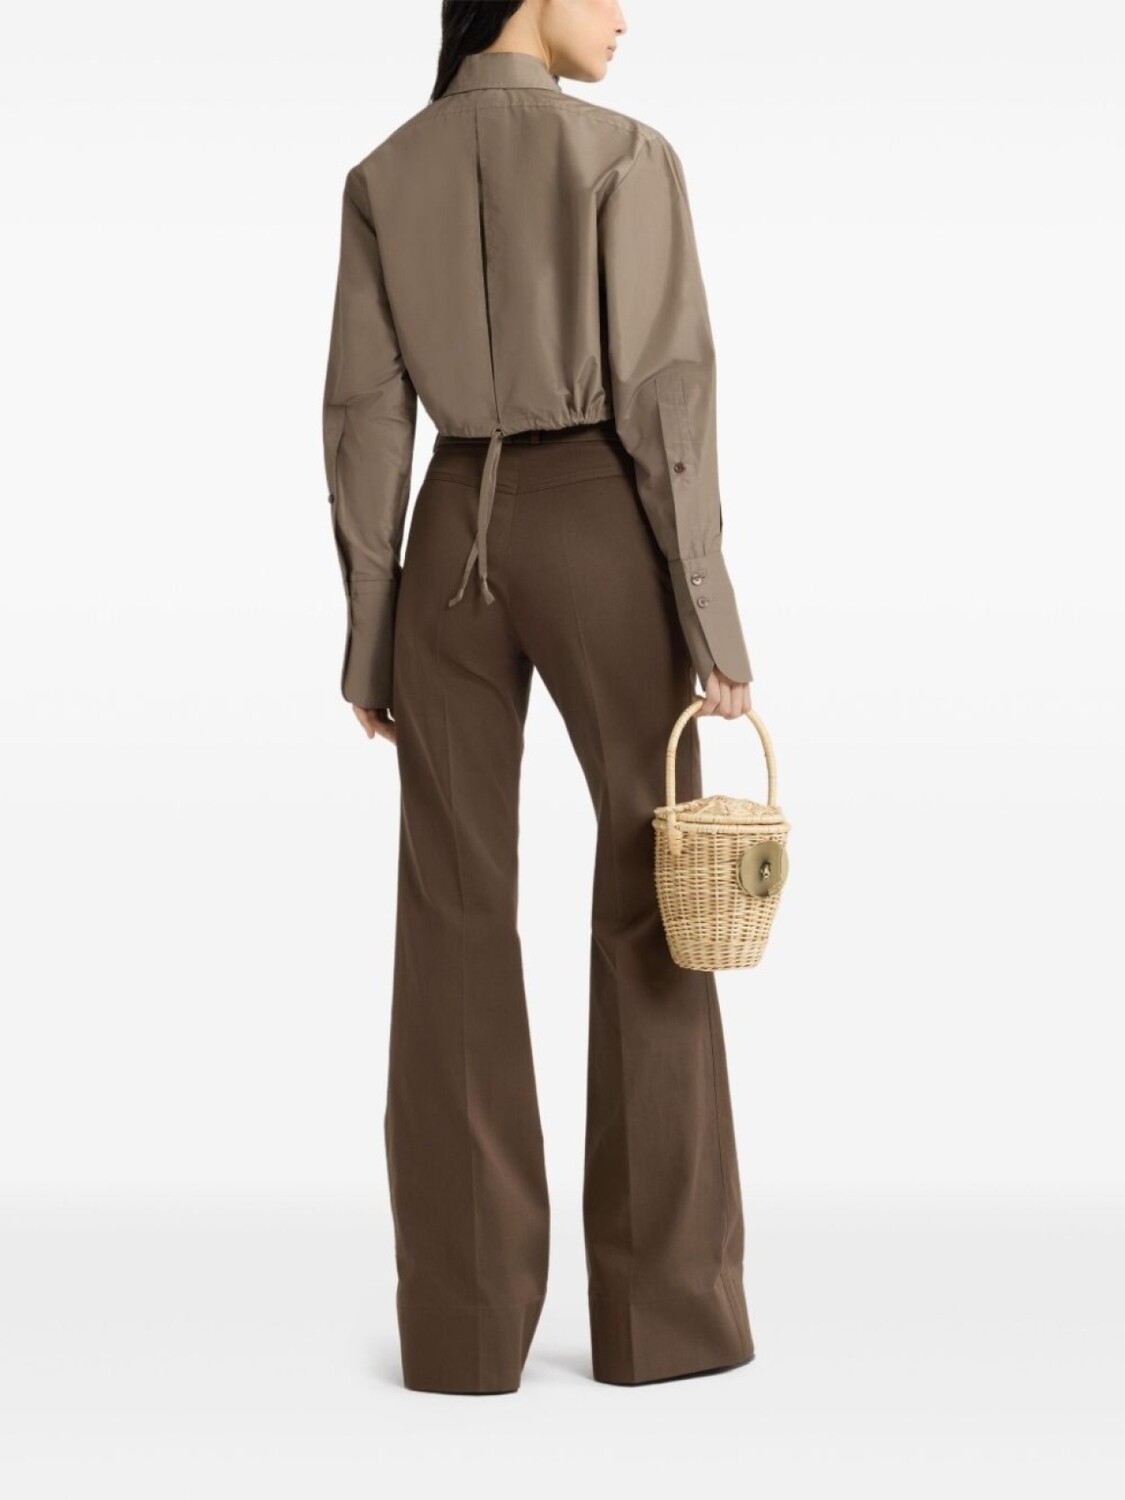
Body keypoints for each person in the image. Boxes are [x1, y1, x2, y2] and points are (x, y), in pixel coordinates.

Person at [321, 0, 757, 1394]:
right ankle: (663, 1317)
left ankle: (461, 1332)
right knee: (656, 891)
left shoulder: (384, 173)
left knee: (450, 910)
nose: (624, 14)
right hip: (596, 522)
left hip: (449, 525)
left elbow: (363, 416)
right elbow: (666, 398)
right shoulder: (624, 154)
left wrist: (372, 633)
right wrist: (710, 615)